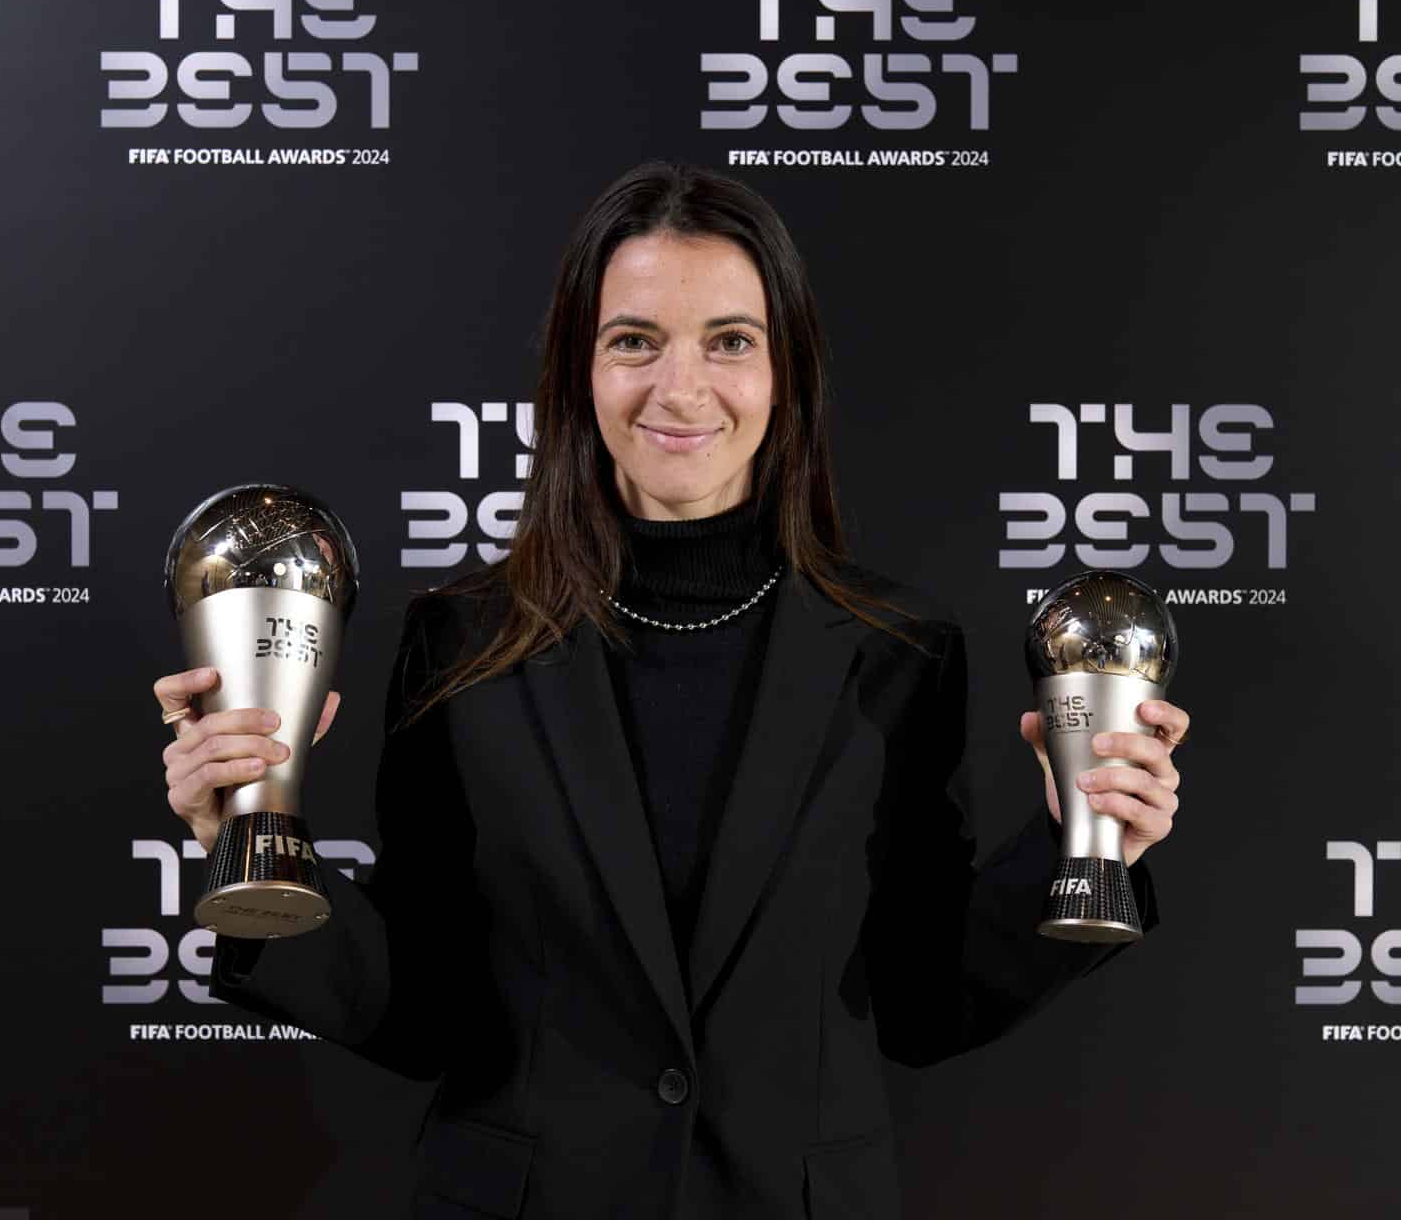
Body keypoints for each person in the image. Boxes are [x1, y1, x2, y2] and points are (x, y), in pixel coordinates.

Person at [151, 161, 1187, 1219]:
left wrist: (1084, 842)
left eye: (730, 341)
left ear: (787, 374)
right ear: (578, 373)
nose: (679, 389)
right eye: (634, 340)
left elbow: (923, 1002)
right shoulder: (462, 639)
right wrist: (246, 841)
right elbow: (422, 1012)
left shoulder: (899, 647)